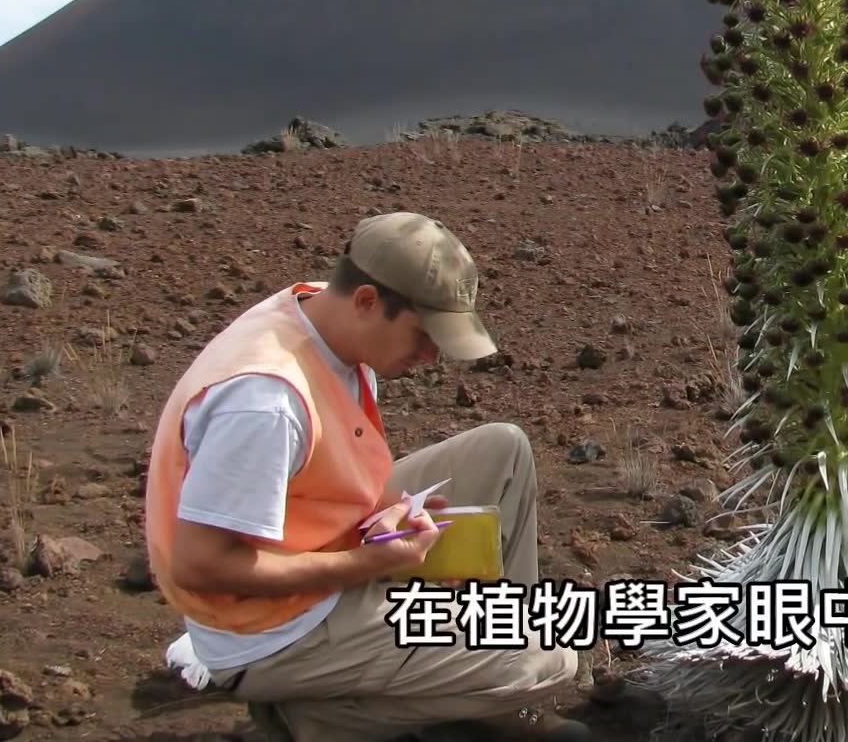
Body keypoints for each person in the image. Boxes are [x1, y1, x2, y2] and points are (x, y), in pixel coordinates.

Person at [143, 211, 590, 741]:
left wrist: (385, 516)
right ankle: (318, 715)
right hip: (272, 631)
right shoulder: (266, 402)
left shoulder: (319, 316)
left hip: (318, 548)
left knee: (503, 450)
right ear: (366, 302)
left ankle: (484, 692)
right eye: (423, 335)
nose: (431, 356)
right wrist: (366, 563)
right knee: (549, 656)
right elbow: (201, 565)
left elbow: (318, 479)